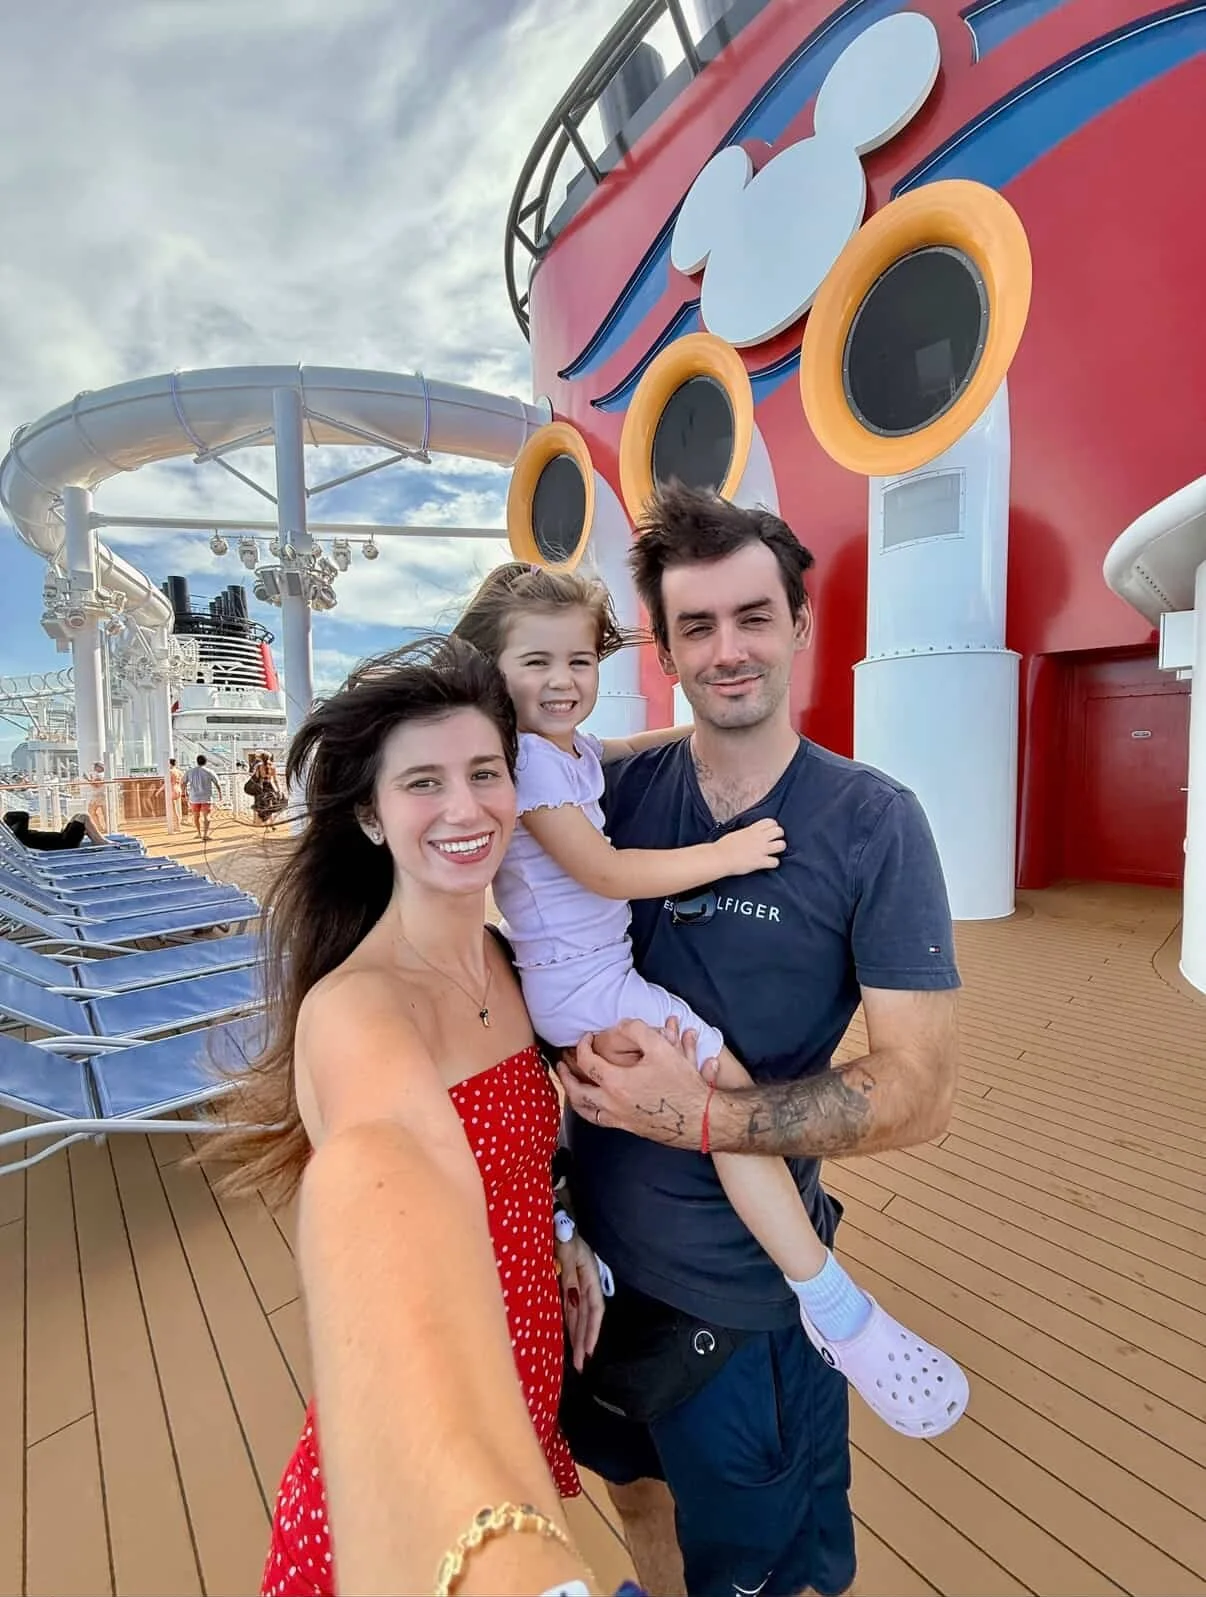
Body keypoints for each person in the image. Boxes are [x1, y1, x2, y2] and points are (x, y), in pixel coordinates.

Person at [540, 484, 962, 1597]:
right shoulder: (608, 796)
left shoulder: (872, 823)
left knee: (772, 1573)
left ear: (800, 624)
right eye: (697, 626)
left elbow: (919, 1089)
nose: (729, 650)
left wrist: (699, 1116)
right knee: (633, 1496)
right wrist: (558, 1212)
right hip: (593, 1283)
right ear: (668, 649)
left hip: (746, 1309)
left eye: (753, 616)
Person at [454, 564, 964, 1435]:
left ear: (799, 625)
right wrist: (727, 854)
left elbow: (613, 751)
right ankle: (831, 1301)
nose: (563, 682)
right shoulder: (526, 767)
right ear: (490, 670)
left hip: (594, 983)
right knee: (720, 1088)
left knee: (715, 1094)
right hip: (588, 986)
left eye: (580, 661)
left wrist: (692, 724)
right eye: (535, 662)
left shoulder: (567, 752)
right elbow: (607, 871)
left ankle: (814, 1294)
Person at [204, 638, 605, 1597]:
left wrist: (559, 1229)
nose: (465, 808)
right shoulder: (357, 1012)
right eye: (423, 782)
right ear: (373, 819)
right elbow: (395, 1160)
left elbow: (509, 1153)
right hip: (415, 1441)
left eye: (485, 773)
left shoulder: (510, 967)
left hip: (528, 1372)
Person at [298, 1113, 648, 1597]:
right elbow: (365, 1163)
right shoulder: (360, 1041)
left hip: (531, 1382)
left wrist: (561, 1225)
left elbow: (514, 1149)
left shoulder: (504, 1029)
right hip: (439, 1418)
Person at [4, 808, 111, 851]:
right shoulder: (21, 835)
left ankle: (98, 839)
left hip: (61, 838)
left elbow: (23, 817)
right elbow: (24, 815)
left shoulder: (18, 835)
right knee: (84, 816)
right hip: (65, 844)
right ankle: (100, 842)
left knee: (77, 816)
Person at [185, 753, 222, 840]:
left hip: (194, 798)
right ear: (205, 762)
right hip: (206, 798)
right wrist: (220, 794)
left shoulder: (190, 771)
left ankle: (198, 833)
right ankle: (205, 834)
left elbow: (183, 783)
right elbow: (217, 783)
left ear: (197, 762)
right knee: (206, 816)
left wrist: (185, 792)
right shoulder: (209, 771)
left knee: (196, 816)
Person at [168, 757, 186, 826]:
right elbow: (183, 782)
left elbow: (167, 783)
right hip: (179, 789)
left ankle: (177, 825)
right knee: (178, 808)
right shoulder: (179, 771)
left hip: (173, 790)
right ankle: (179, 823)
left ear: (170, 763)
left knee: (174, 809)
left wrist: (159, 791)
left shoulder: (170, 771)